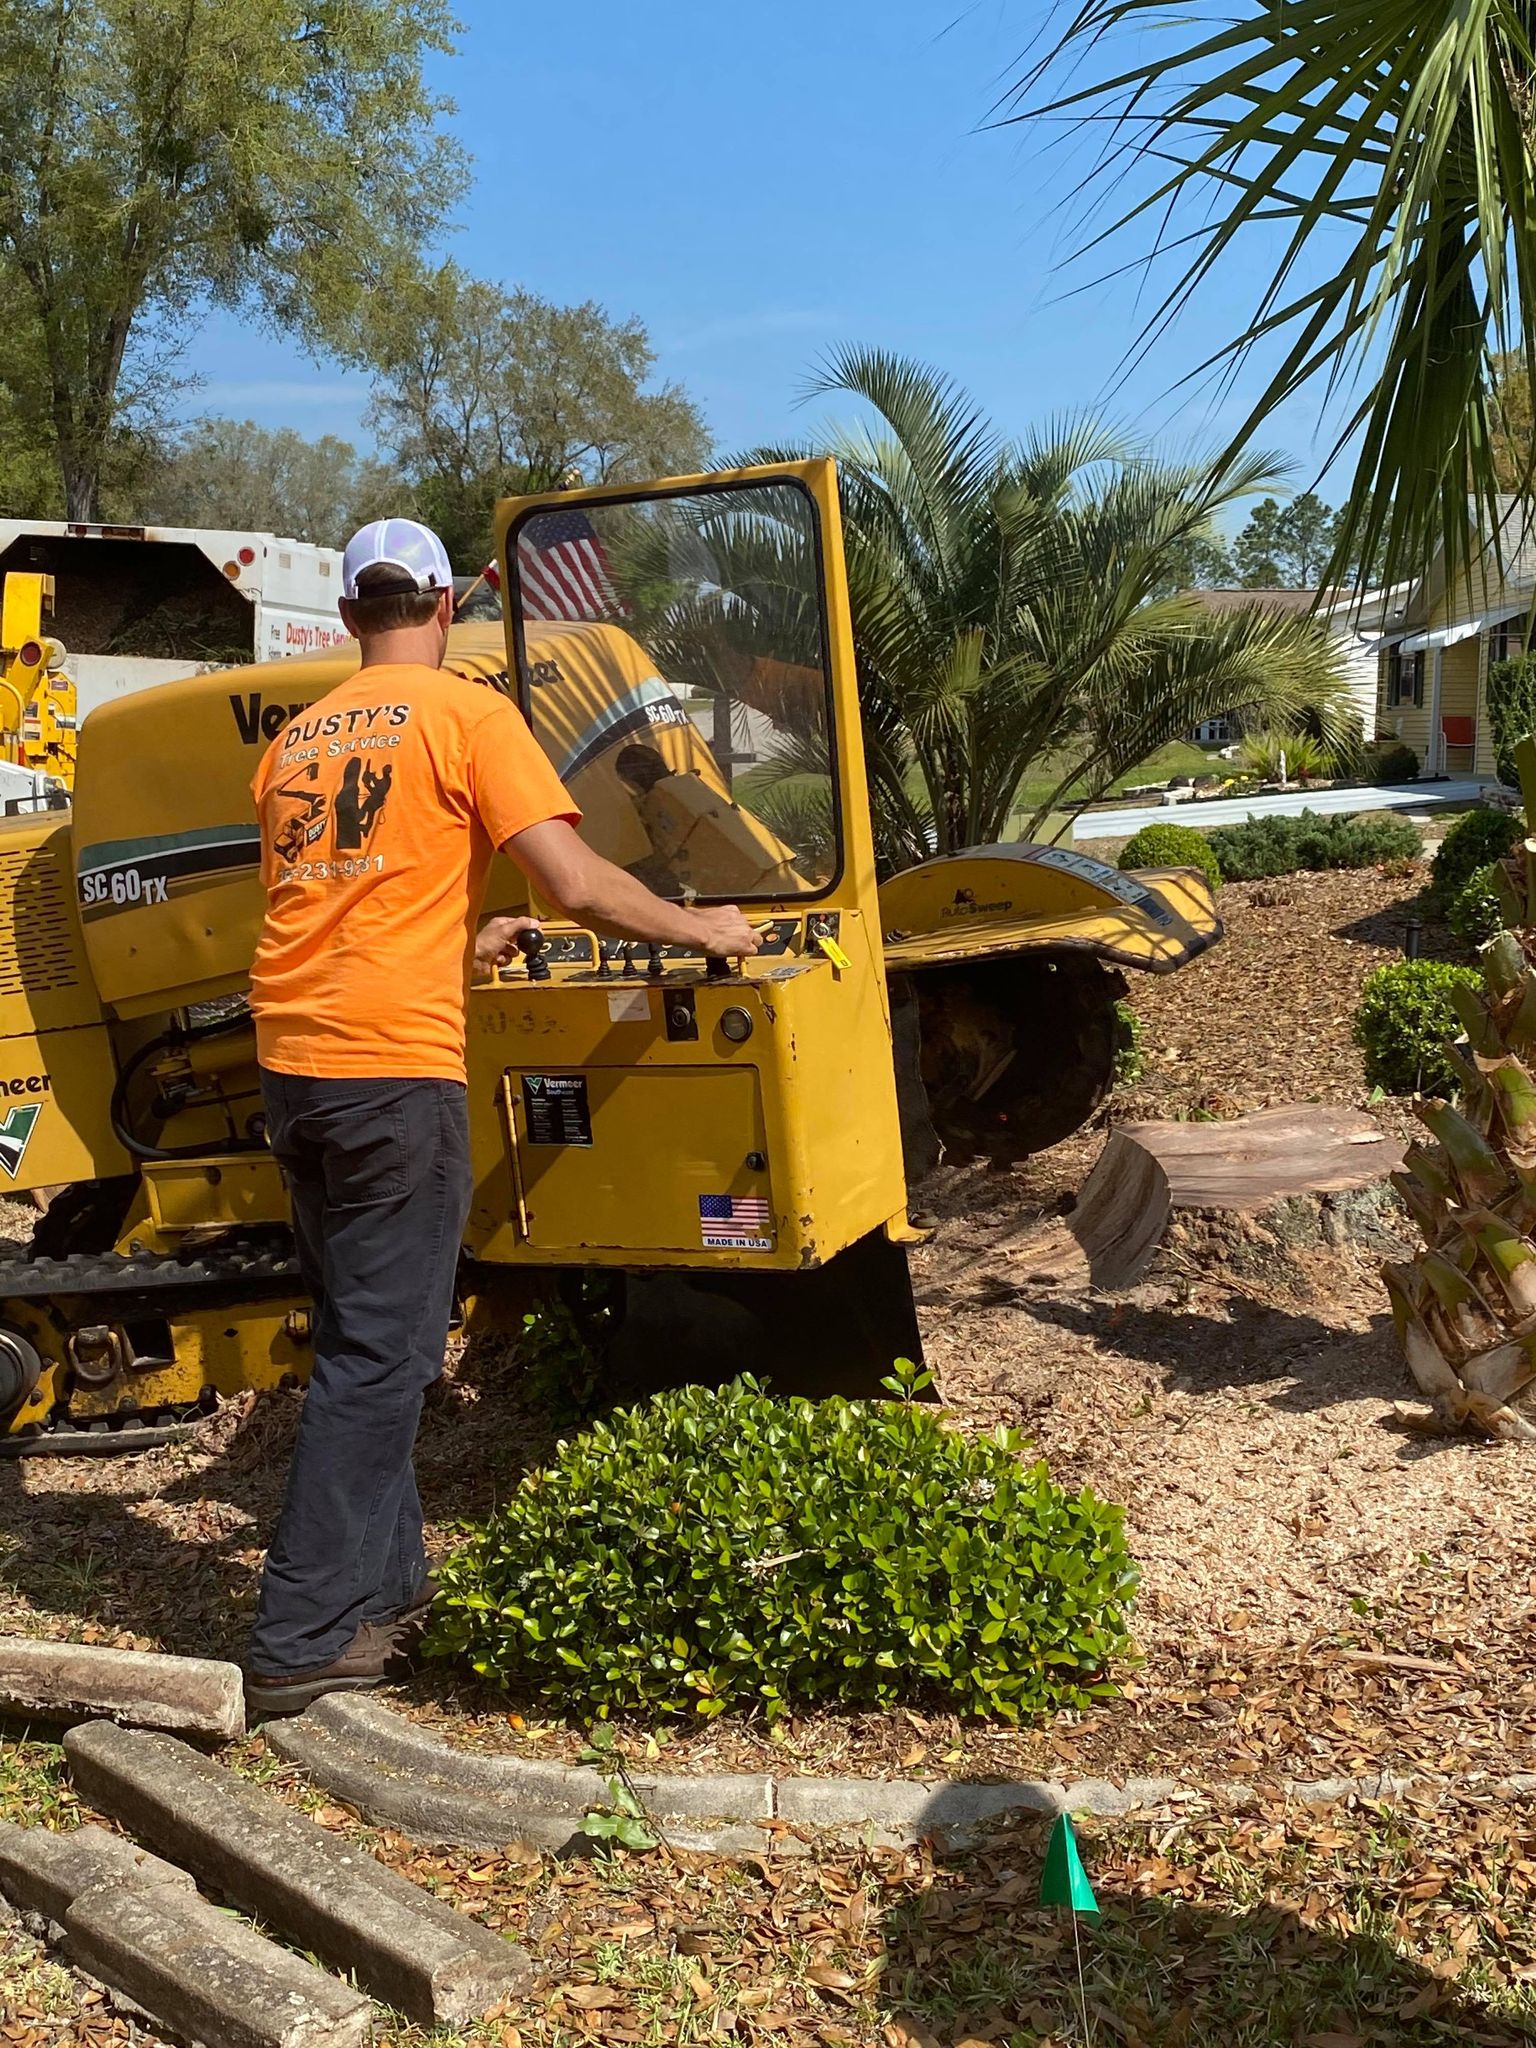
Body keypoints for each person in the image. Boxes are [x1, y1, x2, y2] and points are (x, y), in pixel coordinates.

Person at [243, 516, 759, 1714]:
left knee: (363, 1336)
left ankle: (383, 1593)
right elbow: (574, 882)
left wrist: (457, 938)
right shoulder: (470, 715)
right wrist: (706, 928)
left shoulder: (293, 743)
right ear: (443, 602)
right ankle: (297, 1631)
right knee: (383, 1356)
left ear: (348, 609)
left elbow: (336, 907)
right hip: (389, 1071)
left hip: (296, 1065)